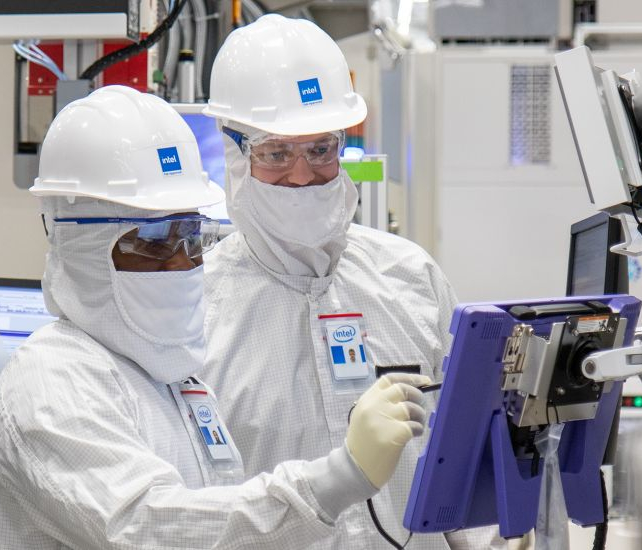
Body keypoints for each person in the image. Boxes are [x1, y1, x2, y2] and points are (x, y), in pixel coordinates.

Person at [0, 85, 434, 549]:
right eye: (152, 241)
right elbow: (149, 527)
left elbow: (225, 523)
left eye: (190, 236)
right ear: (77, 243)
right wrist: (338, 477)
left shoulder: (173, 376)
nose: (181, 264)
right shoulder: (51, 379)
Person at [201, 15, 506, 549]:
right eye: (276, 152)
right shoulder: (197, 311)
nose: (302, 175)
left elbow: (463, 459)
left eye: (320, 149)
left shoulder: (409, 277)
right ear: (234, 153)